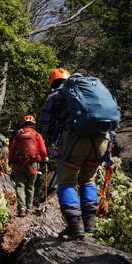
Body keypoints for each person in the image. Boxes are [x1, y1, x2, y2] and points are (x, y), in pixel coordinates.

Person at [41, 68, 112, 240]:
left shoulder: (55, 96)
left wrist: (55, 145)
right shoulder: (90, 92)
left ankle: (75, 226)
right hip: (102, 140)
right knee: (88, 179)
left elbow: (45, 125)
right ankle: (89, 223)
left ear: (53, 83)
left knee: (67, 182)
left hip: (75, 141)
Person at [9, 115, 48, 217]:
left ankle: (21, 207)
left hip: (19, 163)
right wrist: (43, 160)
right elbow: (43, 150)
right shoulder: (37, 135)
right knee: (30, 185)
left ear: (23, 123)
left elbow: (12, 149)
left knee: (20, 185)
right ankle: (29, 208)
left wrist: (11, 160)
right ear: (33, 124)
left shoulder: (18, 134)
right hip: (33, 163)